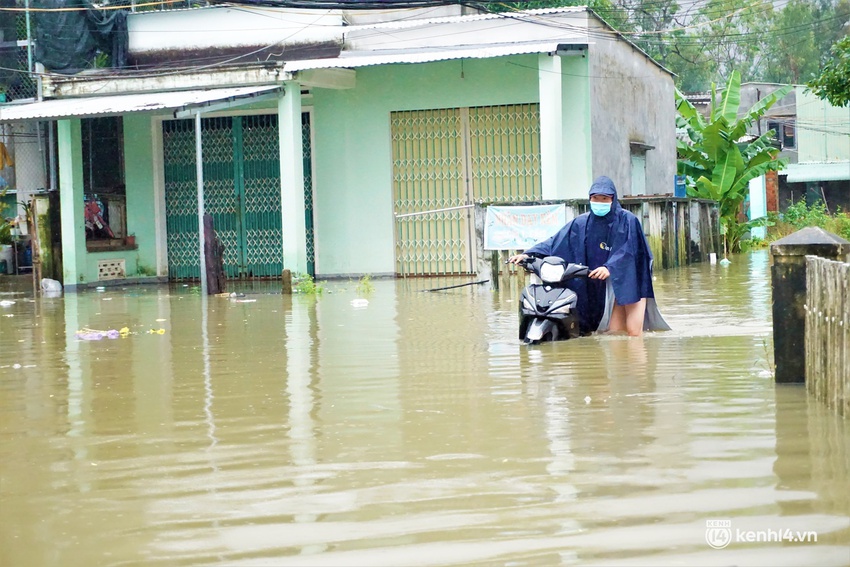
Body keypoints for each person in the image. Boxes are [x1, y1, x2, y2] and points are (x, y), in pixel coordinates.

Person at [508, 176, 669, 337]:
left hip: (630, 279)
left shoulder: (628, 221)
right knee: (615, 334)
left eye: (604, 198)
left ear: (613, 199)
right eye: (595, 198)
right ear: (590, 199)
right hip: (604, 283)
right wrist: (528, 254)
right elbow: (554, 242)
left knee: (633, 332)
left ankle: (639, 360)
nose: (599, 202)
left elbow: (629, 250)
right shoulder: (581, 223)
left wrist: (609, 267)